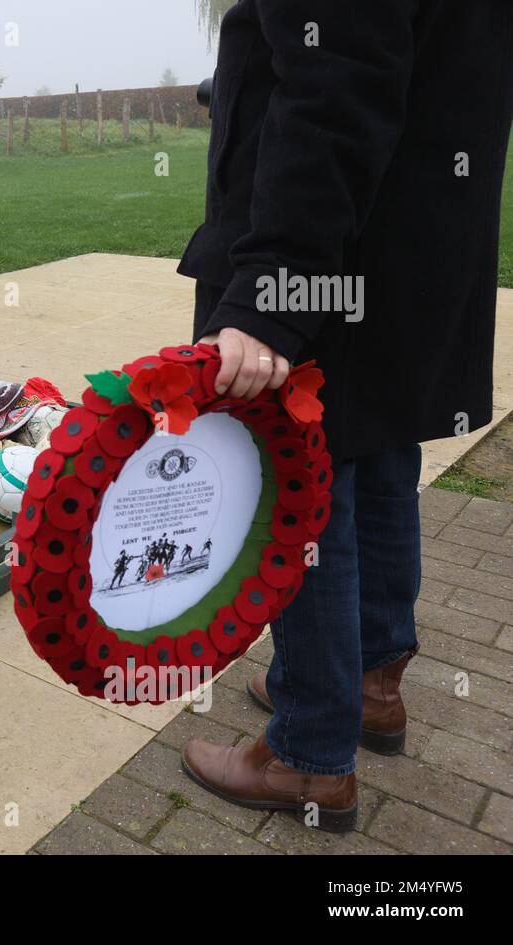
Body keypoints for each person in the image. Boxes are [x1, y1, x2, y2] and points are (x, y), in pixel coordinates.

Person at [176, 0, 513, 833]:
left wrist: (269, 291)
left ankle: (310, 752)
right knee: (381, 448)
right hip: (405, 238)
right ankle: (369, 681)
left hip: (333, 253)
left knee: (304, 481)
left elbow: (336, 83)